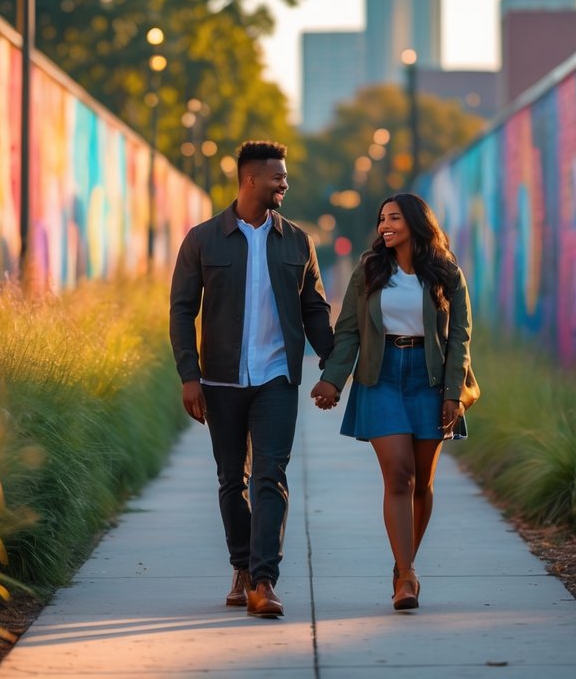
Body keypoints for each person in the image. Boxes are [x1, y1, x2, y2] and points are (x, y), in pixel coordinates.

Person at [169, 140, 334, 618]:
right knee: (230, 480)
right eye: (277, 177)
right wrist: (189, 376)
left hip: (276, 379)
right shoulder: (203, 239)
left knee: (270, 476)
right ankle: (240, 566)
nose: (285, 183)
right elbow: (182, 312)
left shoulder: (298, 241)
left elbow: (314, 308)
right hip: (220, 382)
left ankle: (263, 580)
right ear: (250, 180)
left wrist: (333, 362)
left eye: (284, 176)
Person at [311, 193, 478, 611]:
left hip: (430, 378)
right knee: (399, 475)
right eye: (381, 218)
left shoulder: (446, 272)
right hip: (381, 375)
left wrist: (453, 393)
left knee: (422, 482)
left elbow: (460, 337)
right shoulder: (369, 269)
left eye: (394, 218)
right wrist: (332, 380)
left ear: (417, 223)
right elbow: (348, 329)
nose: (385, 225)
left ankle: (404, 565)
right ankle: (407, 576)